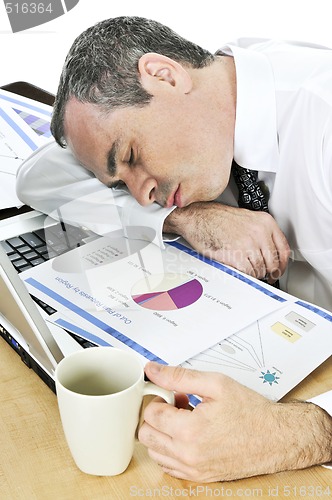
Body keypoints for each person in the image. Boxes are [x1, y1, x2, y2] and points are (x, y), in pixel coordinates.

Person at [16, 17, 332, 481]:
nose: (142, 194)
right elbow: (39, 176)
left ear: (164, 75)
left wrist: (294, 434)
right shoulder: (222, 91)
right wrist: (182, 217)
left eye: (129, 157)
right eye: (122, 184)